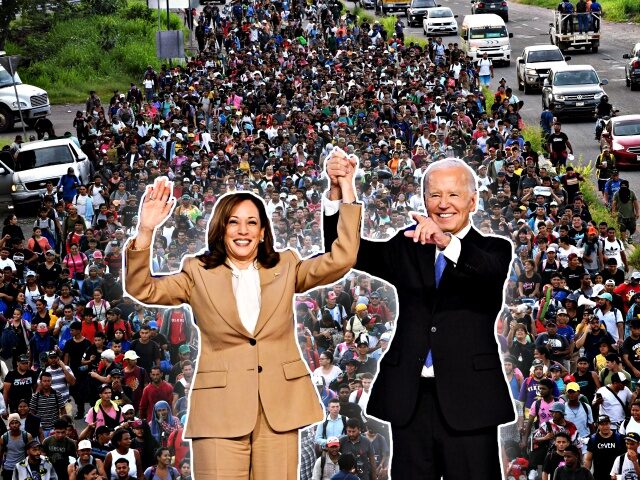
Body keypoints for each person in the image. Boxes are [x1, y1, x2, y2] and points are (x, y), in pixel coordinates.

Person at [124, 175, 361, 478]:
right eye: (234, 222)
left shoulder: (286, 266)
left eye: (252, 223)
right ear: (221, 229)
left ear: (263, 232)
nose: (243, 230)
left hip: (277, 412)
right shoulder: (197, 272)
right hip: (219, 411)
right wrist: (146, 230)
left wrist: (347, 191)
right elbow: (141, 287)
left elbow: (343, 257)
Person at [325, 156, 514, 478]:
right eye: (434, 195)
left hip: (471, 399)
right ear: (424, 200)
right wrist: (340, 192)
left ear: (473, 201)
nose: (443, 204)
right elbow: (347, 250)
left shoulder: (494, 249)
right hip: (410, 398)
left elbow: (485, 271)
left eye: (453, 195)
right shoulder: (408, 245)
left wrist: (444, 240)